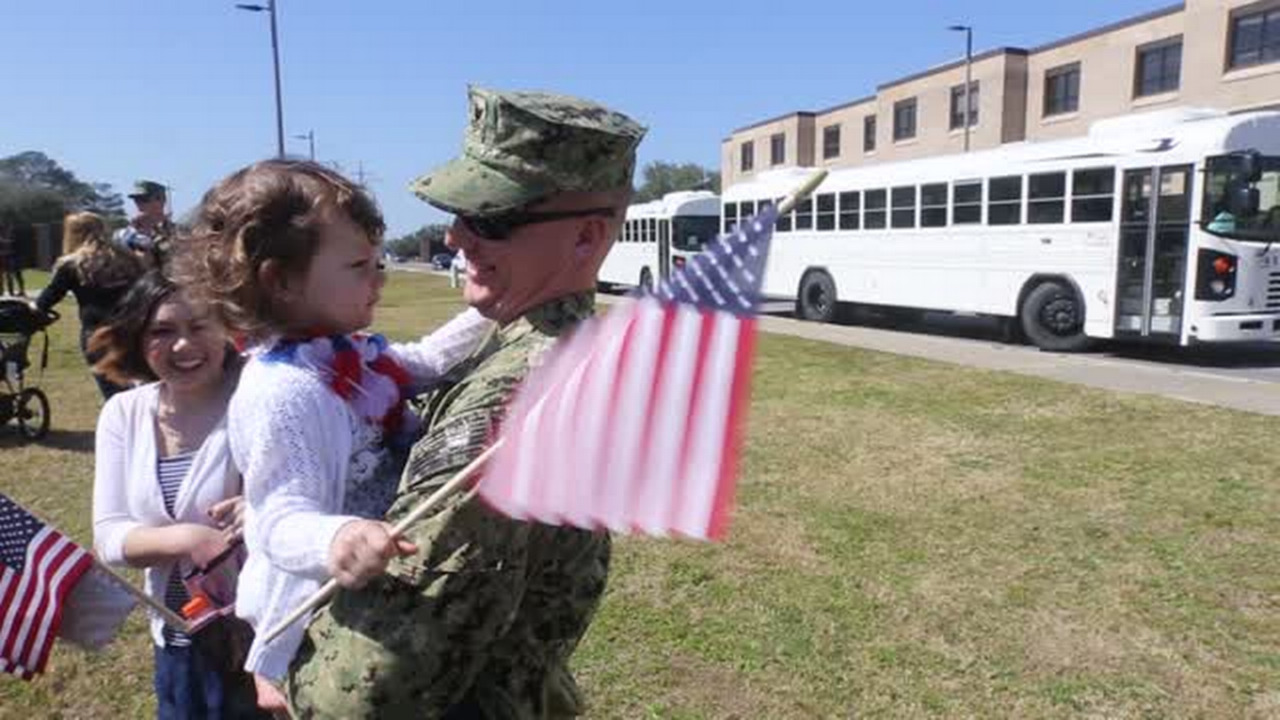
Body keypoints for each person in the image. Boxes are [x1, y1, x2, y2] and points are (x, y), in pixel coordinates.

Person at [285, 86, 646, 719]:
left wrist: (289, 684)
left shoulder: (516, 394)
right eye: (458, 212)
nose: (454, 237)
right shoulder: (548, 349)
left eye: (491, 218)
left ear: (587, 238)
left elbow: (375, 681)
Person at [173, 159, 491, 705]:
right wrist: (336, 537)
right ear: (282, 280)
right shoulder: (284, 391)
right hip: (308, 628)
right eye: (360, 265)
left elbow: (428, 360)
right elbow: (277, 518)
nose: (380, 278)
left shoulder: (348, 355)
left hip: (367, 602)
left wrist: (496, 311)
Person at [89, 270, 267, 719]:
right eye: (162, 331)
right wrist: (193, 539)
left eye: (199, 326)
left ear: (227, 328)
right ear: (138, 339)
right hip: (179, 644)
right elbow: (110, 537)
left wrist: (265, 509)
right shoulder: (123, 413)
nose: (184, 346)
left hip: (265, 640)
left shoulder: (261, 393)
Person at [37, 212, 146, 398]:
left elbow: (47, 299)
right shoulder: (127, 257)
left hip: (98, 333)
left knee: (114, 394)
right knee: (141, 389)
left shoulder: (73, 264)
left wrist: (34, 311)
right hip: (134, 330)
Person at [115, 180, 175, 267]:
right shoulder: (125, 235)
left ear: (161, 200)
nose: (139, 204)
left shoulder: (178, 233)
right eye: (136, 200)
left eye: (144, 200)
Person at [0, 225, 23, 296]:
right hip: (5, 256)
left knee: (13, 274)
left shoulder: (14, 237)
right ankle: (3, 291)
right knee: (7, 275)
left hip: (12, 257)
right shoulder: (6, 235)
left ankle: (16, 291)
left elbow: (10, 243)